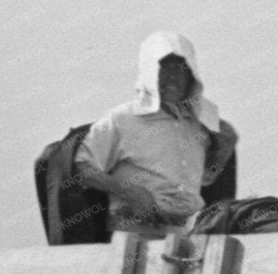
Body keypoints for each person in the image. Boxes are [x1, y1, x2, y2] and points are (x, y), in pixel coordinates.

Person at [74, 31, 238, 236]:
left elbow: (208, 178)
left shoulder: (201, 124)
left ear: (191, 74)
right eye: (163, 67)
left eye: (180, 67)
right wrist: (130, 192)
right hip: (135, 231)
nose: (172, 76)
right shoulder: (122, 118)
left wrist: (222, 146)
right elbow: (82, 167)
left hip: (189, 233)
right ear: (148, 73)